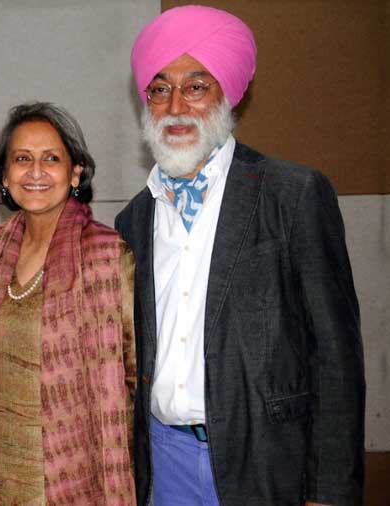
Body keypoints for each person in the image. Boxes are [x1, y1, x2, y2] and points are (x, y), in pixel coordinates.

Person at [115, 6, 365, 506]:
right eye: (160, 89)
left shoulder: (292, 194)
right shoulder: (134, 220)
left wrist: (328, 491)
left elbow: (336, 356)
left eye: (196, 85)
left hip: (271, 462)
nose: (176, 106)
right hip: (164, 460)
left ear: (228, 93)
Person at [0, 102, 137, 505]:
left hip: (75, 476)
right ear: (4, 175)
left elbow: (133, 373)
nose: (35, 172)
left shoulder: (107, 252)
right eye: (22, 159)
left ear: (75, 173)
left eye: (51, 159)